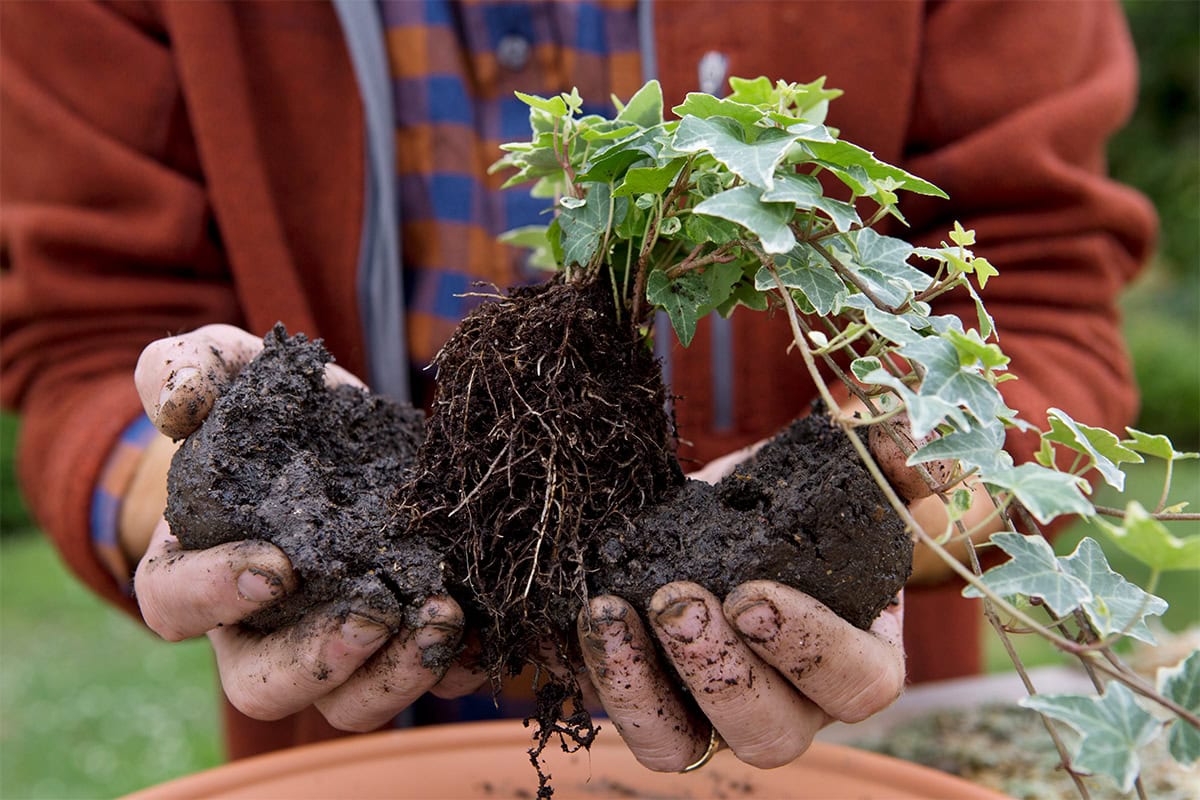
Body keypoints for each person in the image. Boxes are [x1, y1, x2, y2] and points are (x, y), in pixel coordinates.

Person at [0, 0, 1156, 775]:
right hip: (364, 743)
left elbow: (1034, 285)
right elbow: (90, 331)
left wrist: (874, 508)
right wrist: (225, 496)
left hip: (829, 747)